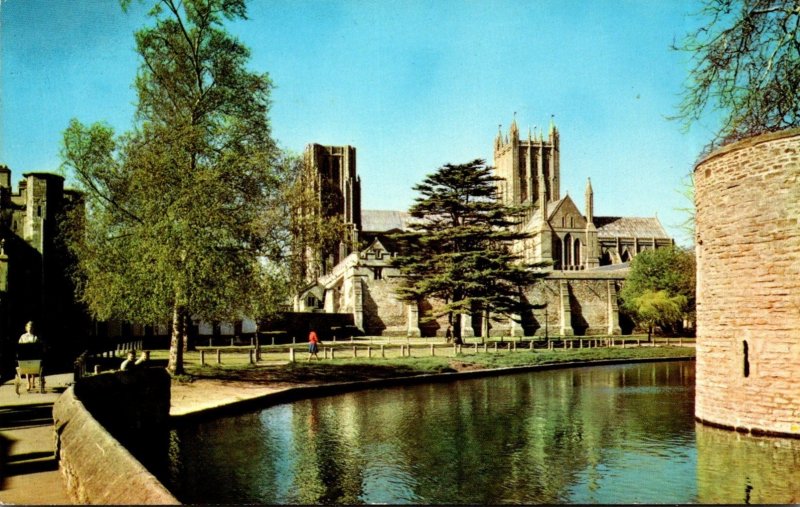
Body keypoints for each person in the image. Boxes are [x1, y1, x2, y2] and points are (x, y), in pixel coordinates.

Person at [18, 321, 40, 392]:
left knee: (33, 366)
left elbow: (37, 346)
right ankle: (28, 382)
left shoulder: (35, 337)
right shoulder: (23, 336)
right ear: (26, 328)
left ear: (33, 329)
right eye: (28, 327)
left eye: (31, 327)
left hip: (33, 355)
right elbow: (19, 345)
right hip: (25, 355)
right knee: (26, 367)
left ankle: (33, 381)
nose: (30, 329)